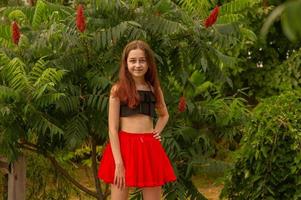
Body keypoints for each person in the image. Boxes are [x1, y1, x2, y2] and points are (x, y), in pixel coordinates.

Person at [98, 40, 177, 200]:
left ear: (148, 63)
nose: (137, 65)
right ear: (125, 63)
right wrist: (119, 163)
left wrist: (156, 132)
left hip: (149, 148)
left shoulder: (154, 89)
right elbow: (112, 129)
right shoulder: (117, 89)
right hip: (123, 148)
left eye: (142, 60)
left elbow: (164, 115)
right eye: (132, 60)